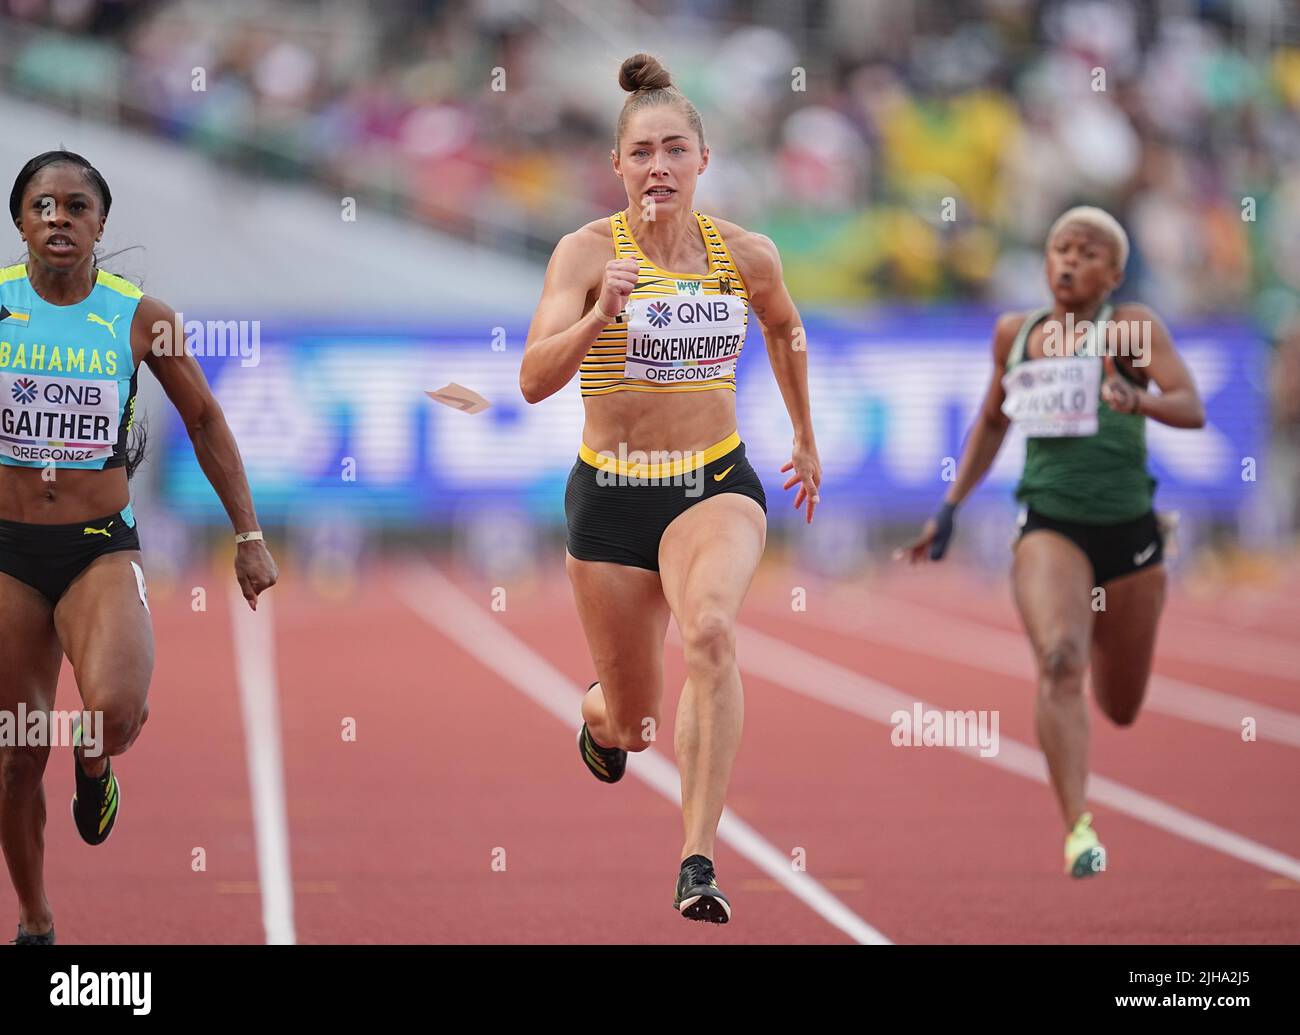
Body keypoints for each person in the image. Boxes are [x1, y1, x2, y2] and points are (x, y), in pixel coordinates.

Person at [519, 55, 820, 922]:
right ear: (617, 166)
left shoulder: (745, 254)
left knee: (713, 633)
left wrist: (802, 434)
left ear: (702, 160)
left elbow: (787, 329)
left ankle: (697, 859)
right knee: (633, 721)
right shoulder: (585, 252)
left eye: (675, 150)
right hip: (612, 498)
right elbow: (534, 379)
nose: (659, 166)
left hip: (714, 483)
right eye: (642, 152)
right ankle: (600, 719)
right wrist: (596, 315)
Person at [1, 150, 277, 944]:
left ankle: (95, 762)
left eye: (75, 206)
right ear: (20, 221)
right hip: (7, 553)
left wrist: (249, 536)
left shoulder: (138, 315)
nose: (59, 218)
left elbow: (206, 420)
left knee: (114, 712)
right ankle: (36, 918)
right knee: (16, 753)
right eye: (42, 206)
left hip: (97, 547)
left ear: (100, 222)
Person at [899, 206, 1204, 878]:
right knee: (1061, 659)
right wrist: (949, 508)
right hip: (1049, 525)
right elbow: (989, 421)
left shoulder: (1132, 329)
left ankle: (1145, 564)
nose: (1069, 260)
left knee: (1120, 706)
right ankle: (1078, 827)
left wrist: (1137, 396)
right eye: (1060, 247)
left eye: (1088, 252)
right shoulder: (1017, 332)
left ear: (1116, 272)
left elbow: (1191, 404)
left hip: (1130, 533)